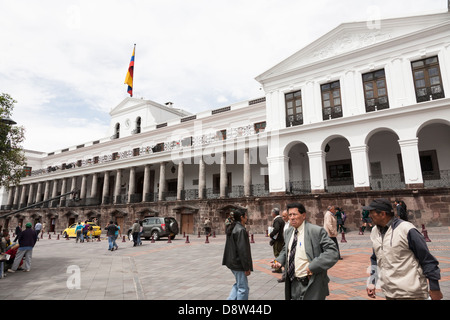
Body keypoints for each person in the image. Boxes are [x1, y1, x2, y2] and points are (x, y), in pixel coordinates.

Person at [364, 198, 442, 300]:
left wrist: (434, 288)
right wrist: (372, 282)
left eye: (371, 213)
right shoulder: (375, 231)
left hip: (411, 293)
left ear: (382, 214)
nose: (369, 216)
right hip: (390, 292)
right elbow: (375, 258)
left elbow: (427, 260)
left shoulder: (407, 230)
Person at [271, 202, 339, 300]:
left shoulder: (316, 231)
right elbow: (286, 250)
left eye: (295, 214)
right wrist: (279, 261)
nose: (292, 217)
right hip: (293, 283)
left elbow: (333, 252)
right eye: (290, 215)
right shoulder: (288, 232)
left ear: (303, 215)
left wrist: (313, 266)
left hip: (311, 283)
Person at [222, 209, 253, 300]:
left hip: (232, 262)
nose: (247, 217)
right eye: (246, 216)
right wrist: (246, 267)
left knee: (238, 284)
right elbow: (243, 251)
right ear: (241, 217)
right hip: (238, 263)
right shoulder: (240, 230)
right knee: (243, 288)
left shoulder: (233, 227)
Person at [269, 208, 285, 274]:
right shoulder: (281, 219)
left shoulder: (277, 220)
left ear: (274, 213)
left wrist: (271, 234)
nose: (271, 214)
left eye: (272, 213)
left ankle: (278, 268)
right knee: (279, 253)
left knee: (277, 253)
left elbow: (276, 229)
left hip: (277, 240)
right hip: (281, 239)